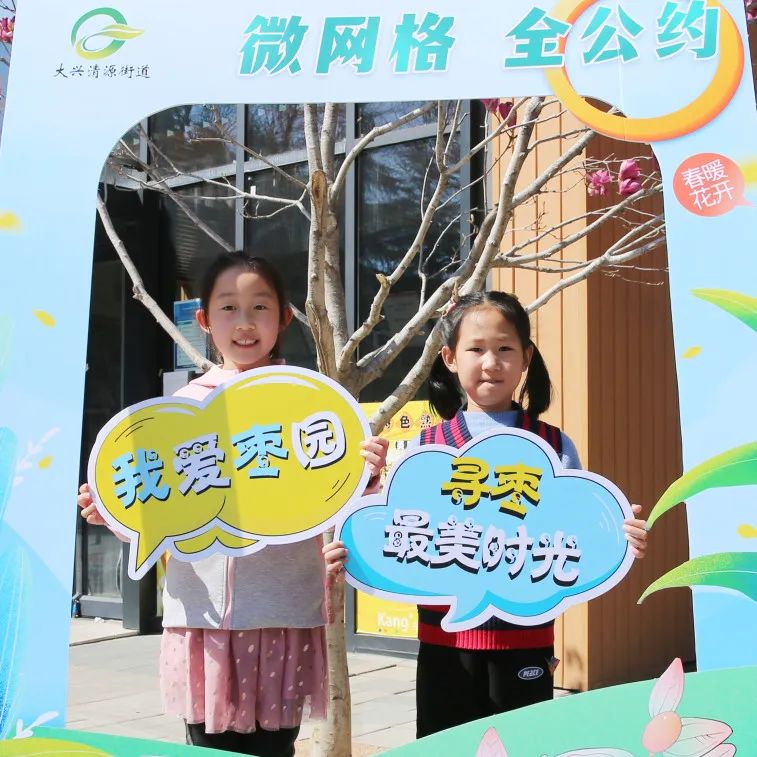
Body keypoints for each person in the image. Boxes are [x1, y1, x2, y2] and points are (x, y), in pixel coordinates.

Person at [78, 252, 388, 756]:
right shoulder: (178, 409)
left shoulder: (311, 404)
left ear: (283, 318)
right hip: (202, 618)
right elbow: (156, 512)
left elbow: (342, 495)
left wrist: (367, 472)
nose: (244, 323)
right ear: (204, 320)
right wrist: (111, 511)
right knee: (207, 746)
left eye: (259, 307)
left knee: (276, 746)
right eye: (228, 308)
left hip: (283, 613)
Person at [323, 290, 648, 738]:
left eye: (505, 349)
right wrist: (354, 538)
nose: (491, 362)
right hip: (443, 642)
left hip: (526, 642)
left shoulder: (553, 446)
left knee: (522, 746)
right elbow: (394, 528)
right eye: (475, 349)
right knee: (445, 748)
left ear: (526, 357)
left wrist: (619, 537)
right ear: (450, 358)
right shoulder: (426, 447)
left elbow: (580, 532)